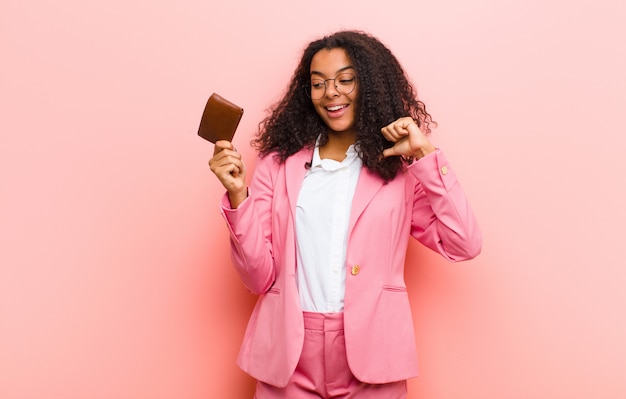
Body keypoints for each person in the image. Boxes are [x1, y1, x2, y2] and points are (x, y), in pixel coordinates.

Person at [209, 30, 482, 399]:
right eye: (318, 83)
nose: (331, 92)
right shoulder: (278, 163)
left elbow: (464, 242)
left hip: (374, 354)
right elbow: (258, 278)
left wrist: (426, 157)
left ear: (368, 85)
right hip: (288, 357)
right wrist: (238, 195)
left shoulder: (399, 169)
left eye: (345, 80)